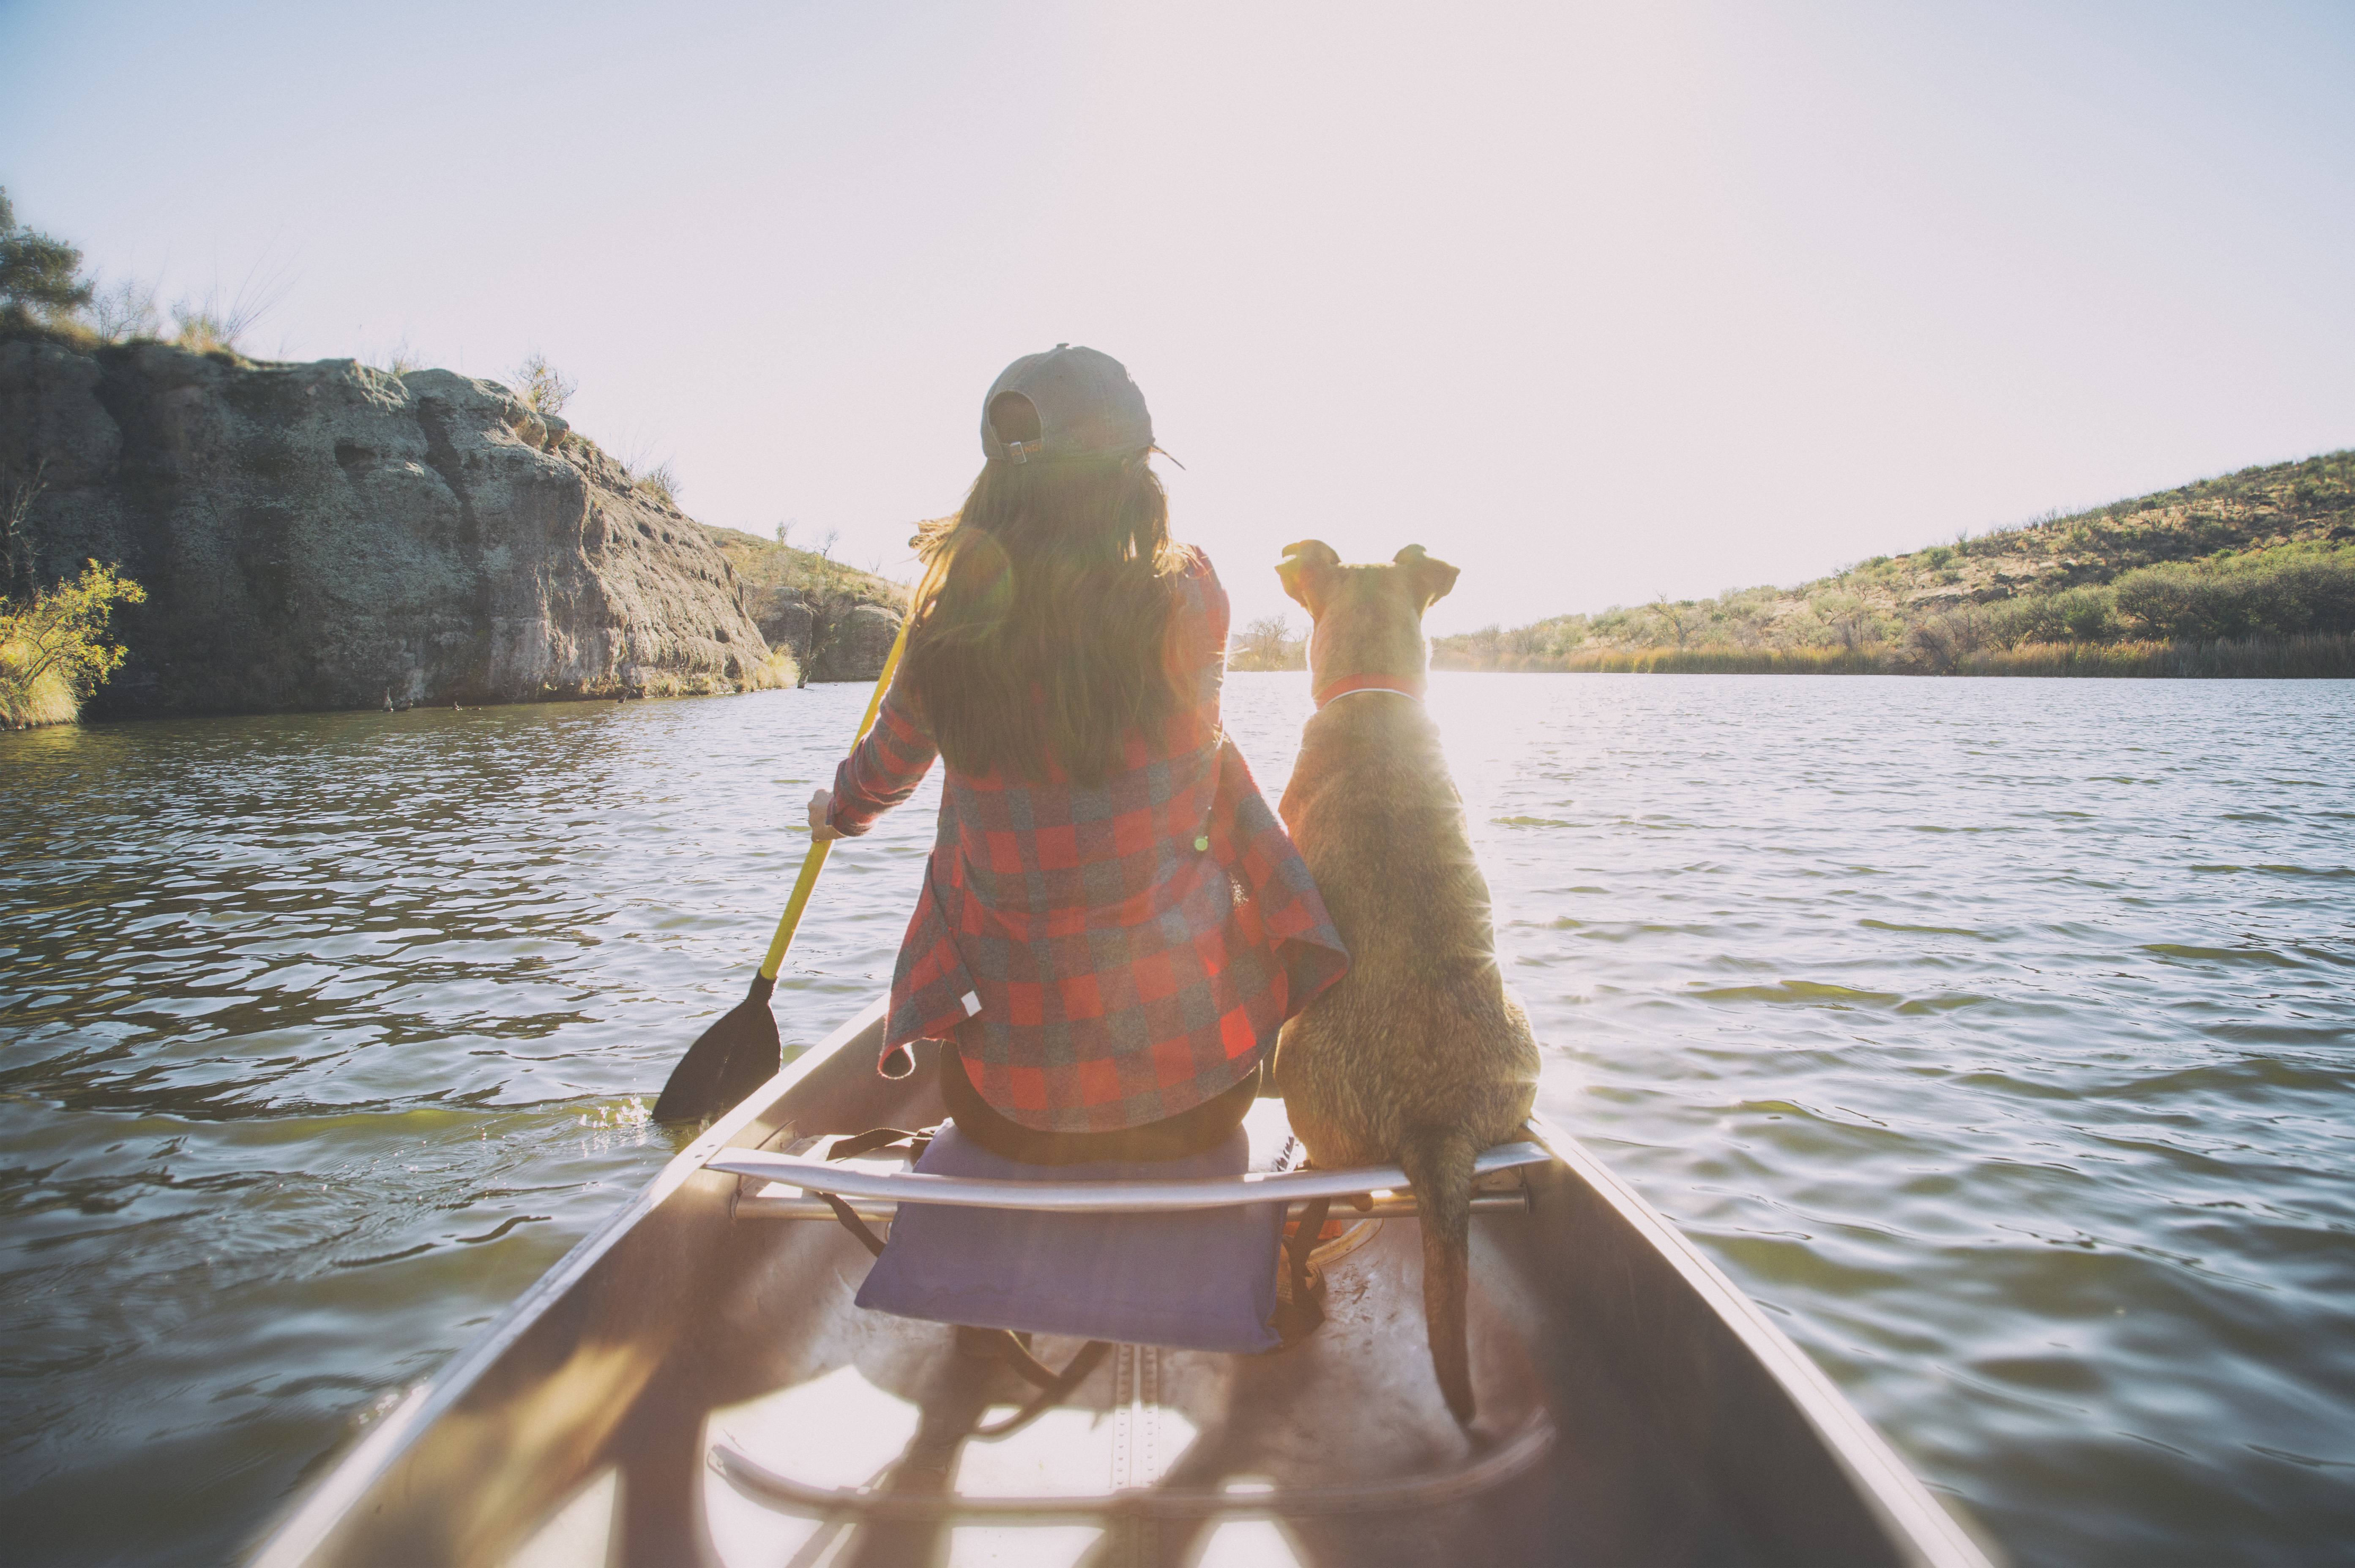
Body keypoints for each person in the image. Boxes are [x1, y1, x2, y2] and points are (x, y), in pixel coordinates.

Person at [806, 344, 1347, 1165]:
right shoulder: (1194, 594)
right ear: (1135, 475)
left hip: (1008, 1111)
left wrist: (836, 810)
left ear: (997, 483)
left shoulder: (943, 633)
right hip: (1201, 1094)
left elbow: (881, 776)